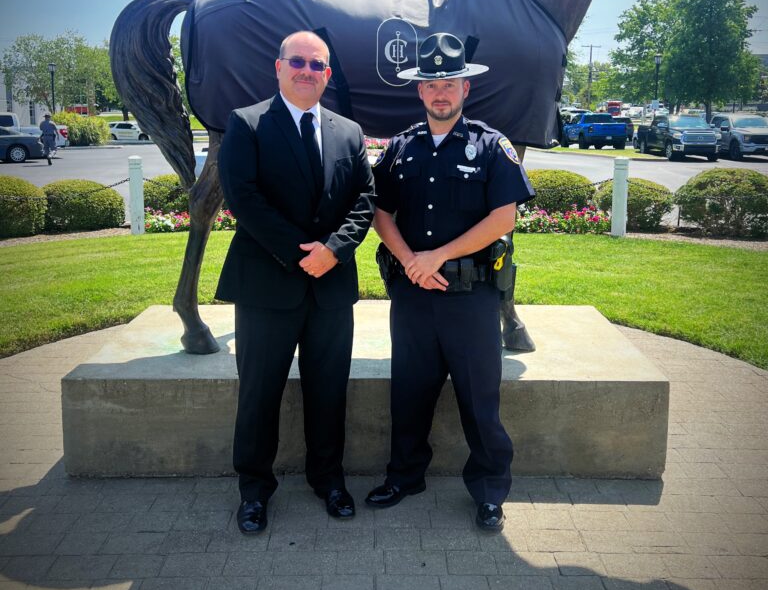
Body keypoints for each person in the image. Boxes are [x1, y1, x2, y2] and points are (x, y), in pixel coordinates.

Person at [366, 32, 534, 531]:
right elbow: (379, 212)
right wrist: (411, 261)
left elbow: (505, 217)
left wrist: (436, 255)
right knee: (409, 392)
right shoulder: (399, 149)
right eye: (431, 83)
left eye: (450, 83)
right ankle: (405, 475)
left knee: (480, 397)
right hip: (414, 296)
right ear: (420, 91)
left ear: (466, 89)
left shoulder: (490, 145)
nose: (441, 92)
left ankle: (488, 491)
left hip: (471, 298)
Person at [217, 30, 375, 534]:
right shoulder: (247, 124)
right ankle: (254, 491)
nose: (308, 71)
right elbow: (243, 197)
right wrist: (298, 252)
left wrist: (333, 250)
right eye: (298, 62)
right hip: (267, 285)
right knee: (259, 393)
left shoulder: (349, 132)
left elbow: (364, 200)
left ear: (328, 74)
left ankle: (328, 480)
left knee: (329, 391)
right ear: (279, 67)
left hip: (331, 286)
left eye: (318, 64)